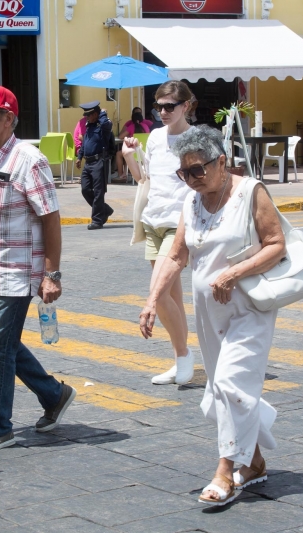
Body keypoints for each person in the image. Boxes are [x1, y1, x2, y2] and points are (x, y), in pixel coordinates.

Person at [140, 125, 287, 506]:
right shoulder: (191, 202)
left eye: (197, 171)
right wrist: (152, 299)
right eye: (184, 173)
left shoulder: (251, 193)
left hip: (249, 308)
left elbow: (276, 245)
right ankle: (253, 462)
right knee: (224, 389)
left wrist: (235, 272)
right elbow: (175, 256)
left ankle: (225, 471)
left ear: (222, 162)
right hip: (209, 312)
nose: (191, 180)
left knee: (229, 381)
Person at [0, 84, 76, 454]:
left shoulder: (28, 160)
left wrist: (51, 275)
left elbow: (51, 219)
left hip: (16, 272)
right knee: (0, 344)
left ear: (8, 119)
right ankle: (54, 394)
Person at [122, 81, 195, 386]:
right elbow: (145, 178)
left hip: (179, 225)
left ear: (186, 106)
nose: (163, 112)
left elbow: (206, 184)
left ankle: (184, 357)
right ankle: (180, 359)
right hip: (153, 222)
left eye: (170, 107)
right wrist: (129, 156)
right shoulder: (154, 137)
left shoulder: (196, 139)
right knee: (172, 297)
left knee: (159, 292)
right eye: (159, 107)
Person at [76, 101, 115, 230]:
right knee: (85, 189)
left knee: (99, 192)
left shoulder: (103, 126)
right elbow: (85, 143)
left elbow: (106, 124)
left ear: (96, 114)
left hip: (99, 161)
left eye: (89, 115)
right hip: (88, 162)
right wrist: (79, 157)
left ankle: (97, 220)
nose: (86, 117)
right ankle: (106, 209)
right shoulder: (89, 126)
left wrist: (103, 113)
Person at [114, 107, 151, 182]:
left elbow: (120, 136)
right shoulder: (146, 126)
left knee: (118, 154)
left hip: (133, 153)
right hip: (143, 152)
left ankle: (121, 175)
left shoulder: (131, 127)